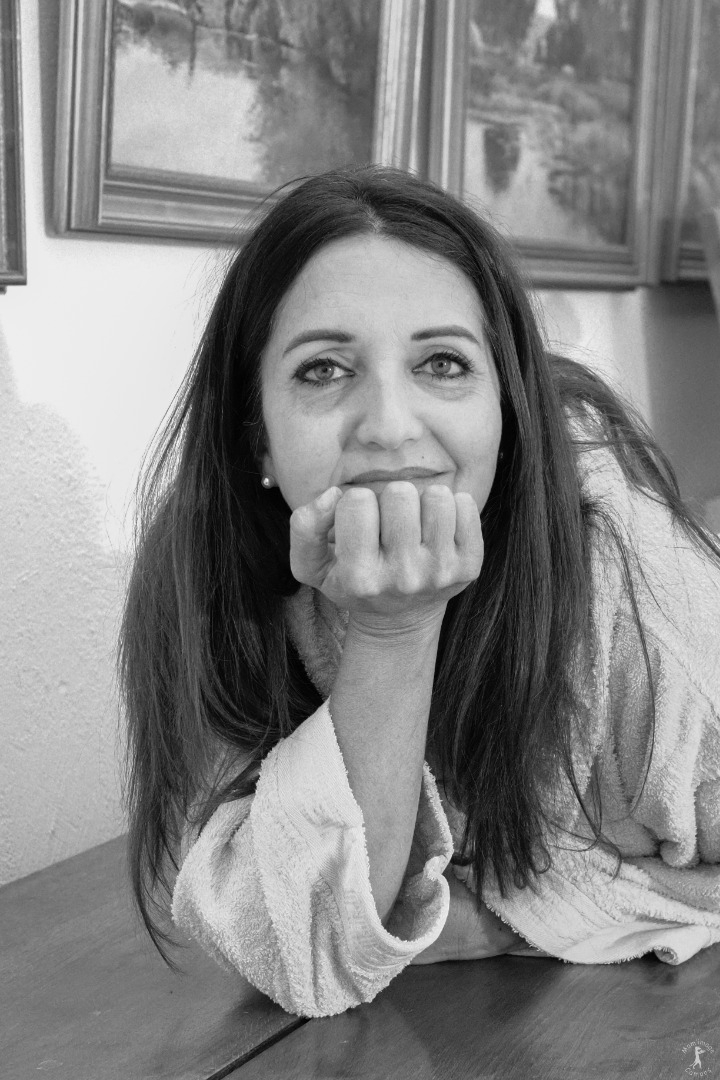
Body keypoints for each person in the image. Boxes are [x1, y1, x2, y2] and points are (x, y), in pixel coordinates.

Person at [119, 165, 720, 1019]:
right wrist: (393, 630)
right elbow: (294, 944)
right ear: (258, 437)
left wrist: (506, 921)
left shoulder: (634, 587)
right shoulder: (207, 581)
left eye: (442, 363)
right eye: (324, 370)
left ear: (507, 412)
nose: (391, 426)